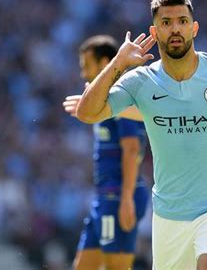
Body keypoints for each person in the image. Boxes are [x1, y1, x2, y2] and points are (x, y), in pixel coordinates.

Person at [75, 0, 207, 270]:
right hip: (170, 213)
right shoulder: (140, 81)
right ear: (154, 30)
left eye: (182, 21)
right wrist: (118, 64)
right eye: (166, 22)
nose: (175, 28)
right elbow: (87, 113)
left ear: (193, 27)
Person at [64, 35, 149, 270]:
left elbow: (132, 148)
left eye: (86, 65)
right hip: (103, 197)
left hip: (119, 196)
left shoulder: (120, 96)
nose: (83, 73)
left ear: (104, 63)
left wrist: (126, 199)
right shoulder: (100, 101)